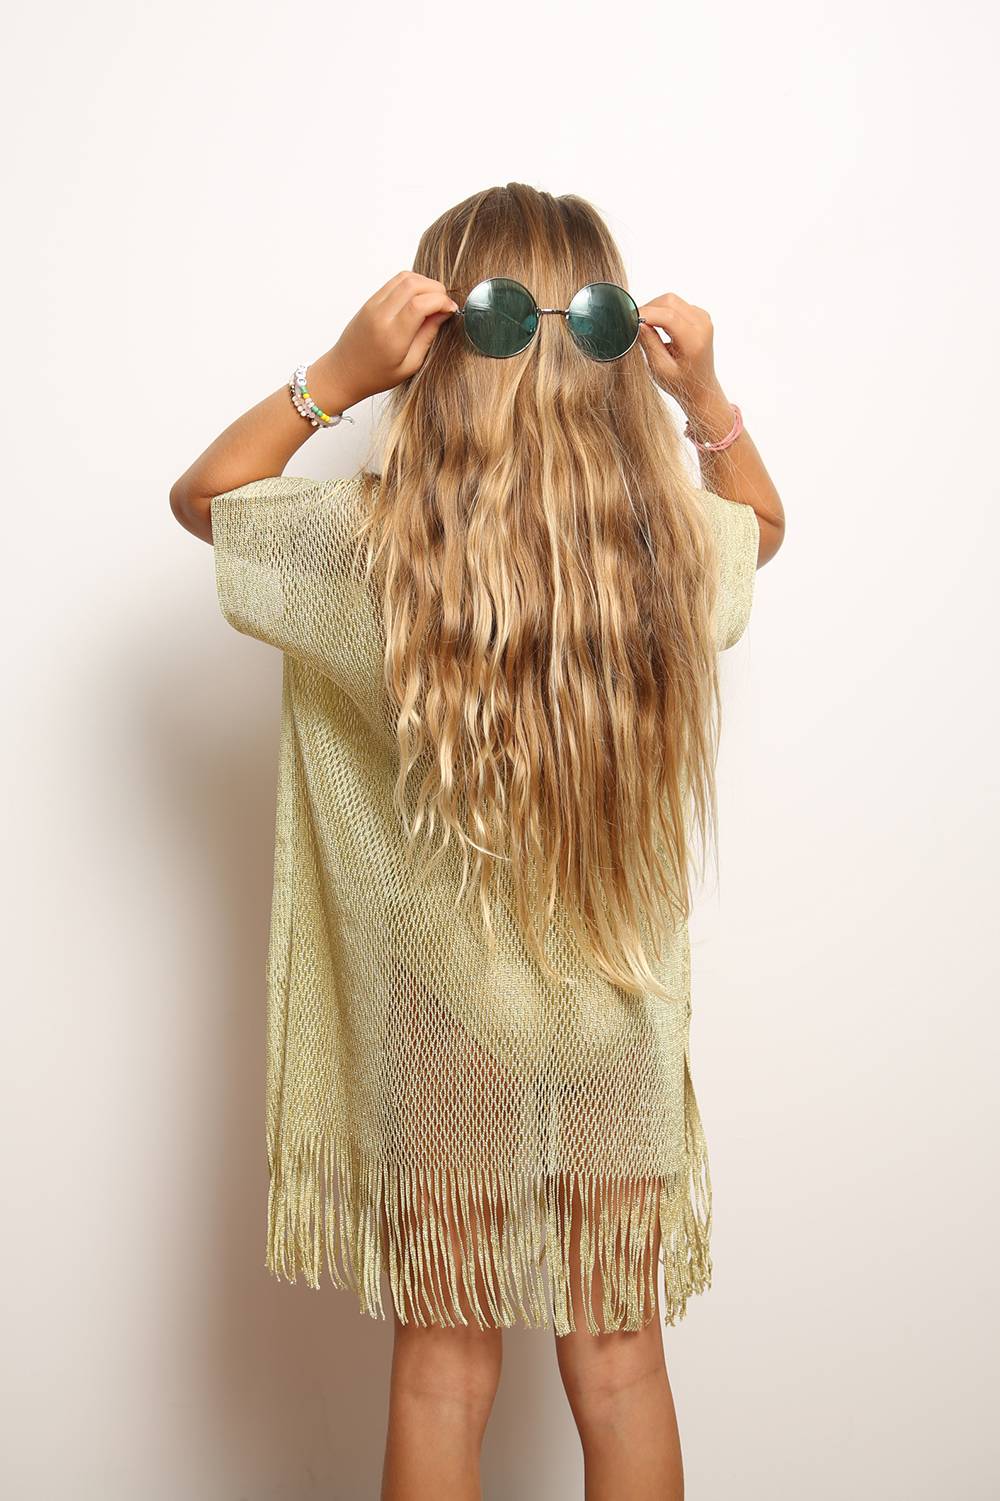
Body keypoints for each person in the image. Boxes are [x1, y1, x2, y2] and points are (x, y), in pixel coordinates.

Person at [170, 182, 785, 1501]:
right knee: (620, 1366)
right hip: (614, 1021)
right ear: (610, 344)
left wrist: (336, 375)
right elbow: (766, 529)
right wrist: (706, 400)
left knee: (443, 1372)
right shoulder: (669, 555)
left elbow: (207, 499)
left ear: (443, 343)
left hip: (444, 1025)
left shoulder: (370, 551)